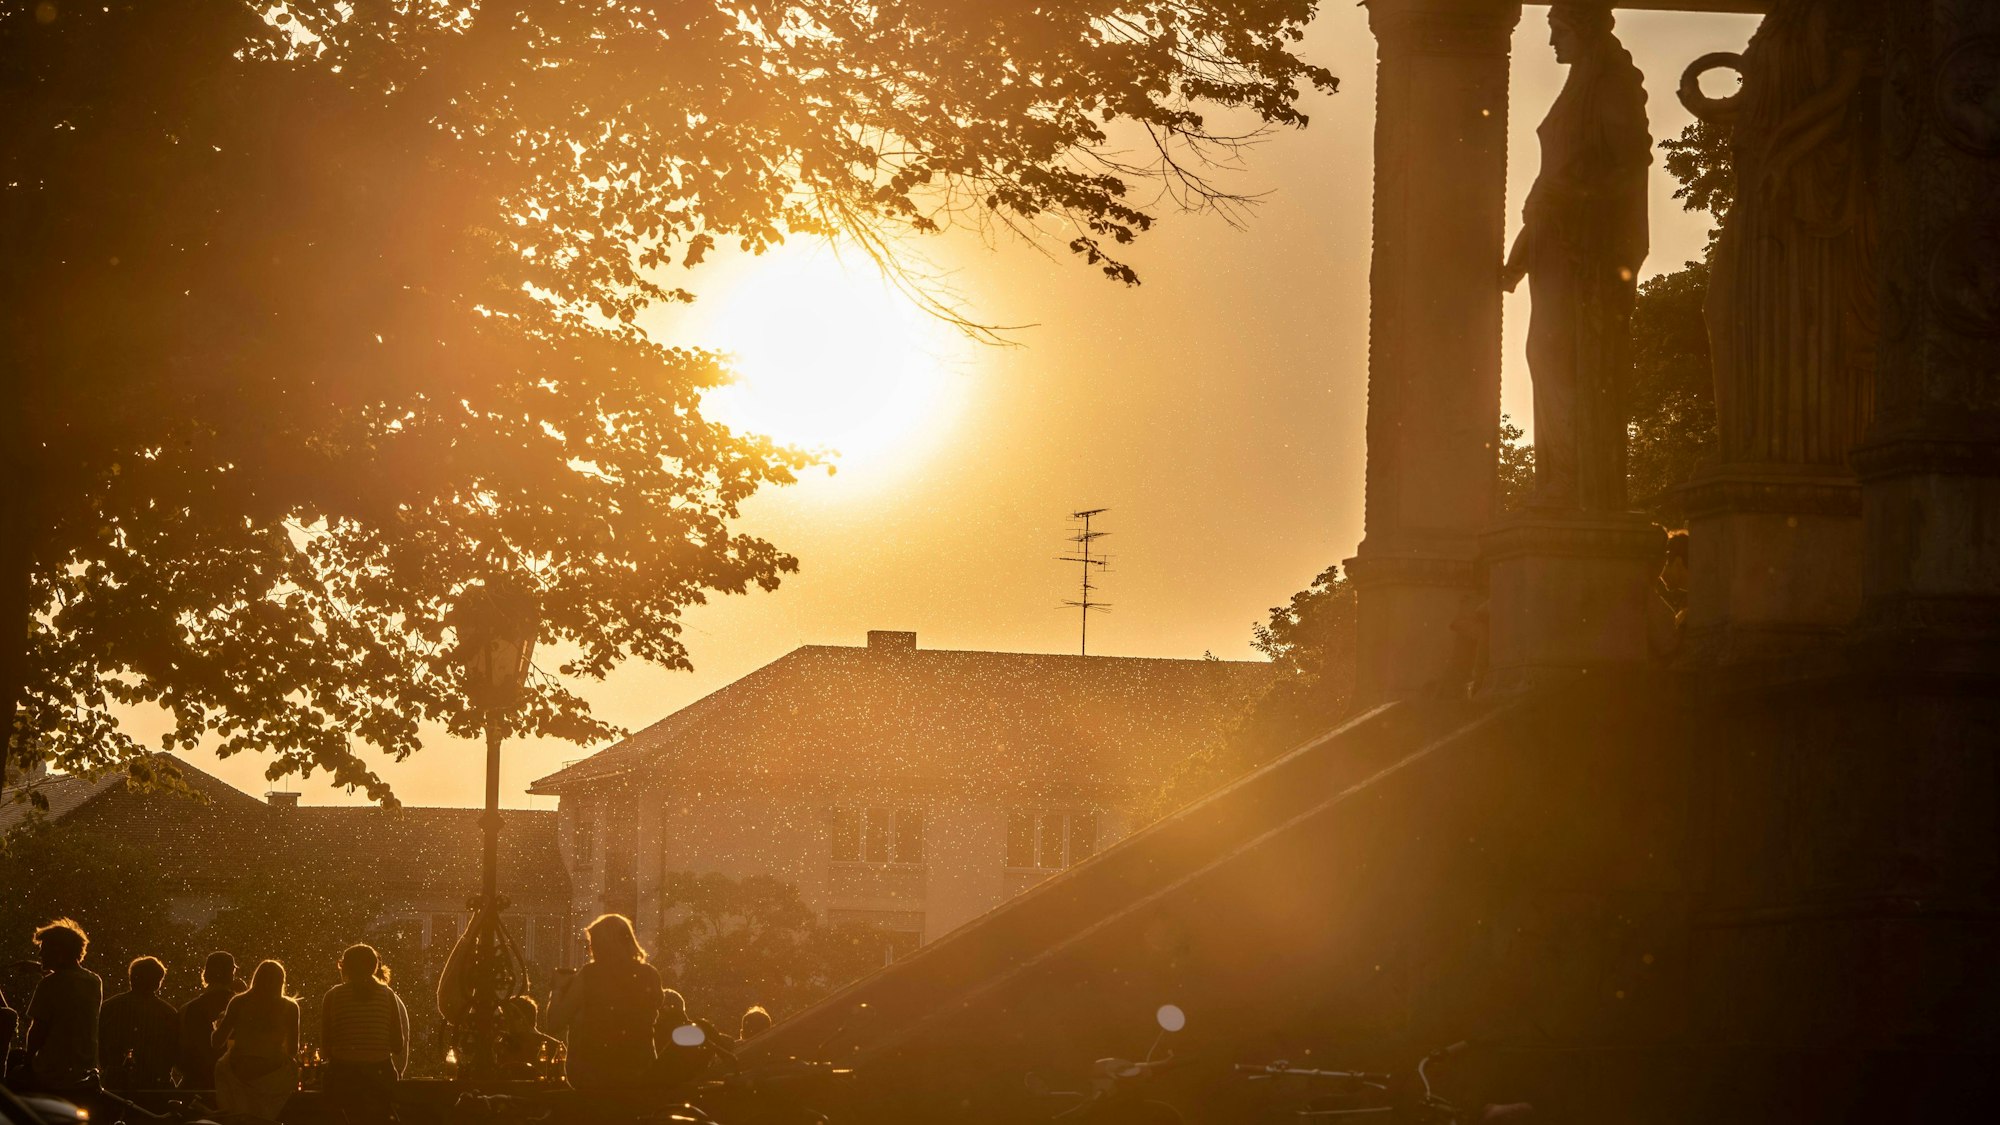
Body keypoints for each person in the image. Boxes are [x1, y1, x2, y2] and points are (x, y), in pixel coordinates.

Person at [545, 914, 661, 1097]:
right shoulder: (650, 974)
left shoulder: (589, 976)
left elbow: (554, 1023)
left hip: (592, 1076)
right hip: (640, 1072)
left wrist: (558, 989)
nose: (590, 950)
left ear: (602, 946)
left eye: (592, 944)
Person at [320, 944, 409, 1121]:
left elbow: (326, 1049)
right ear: (374, 967)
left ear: (344, 967)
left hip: (343, 1075)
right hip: (379, 1075)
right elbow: (398, 1045)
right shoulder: (388, 995)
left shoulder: (332, 996)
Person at [212, 960, 299, 1122]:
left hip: (238, 1072)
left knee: (221, 1065)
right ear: (281, 982)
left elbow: (216, 1043)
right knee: (292, 1068)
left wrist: (217, 1027)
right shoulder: (290, 1007)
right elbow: (292, 1050)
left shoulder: (238, 1002)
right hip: (272, 1074)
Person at [22, 919, 102, 1096]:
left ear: (59, 952)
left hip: (54, 1073)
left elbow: (37, 1031)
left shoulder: (49, 984)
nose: (40, 953)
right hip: (84, 1069)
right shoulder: (94, 981)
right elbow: (69, 980)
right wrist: (41, 969)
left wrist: (28, 1064)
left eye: (44, 948)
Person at [99, 956, 179, 1093]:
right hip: (155, 1083)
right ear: (158, 983)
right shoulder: (168, 1013)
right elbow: (175, 1051)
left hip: (114, 1083)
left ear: (131, 978)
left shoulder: (109, 1007)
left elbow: (98, 1042)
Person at [178, 950, 242, 1090]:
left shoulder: (187, 1009)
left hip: (196, 1083)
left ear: (206, 973)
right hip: (233, 1084)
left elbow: (180, 1051)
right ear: (231, 974)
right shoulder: (242, 1007)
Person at [495, 995, 559, 1074]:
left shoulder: (505, 1046)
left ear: (521, 1019)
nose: (503, 1021)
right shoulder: (555, 1046)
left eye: (507, 1017)